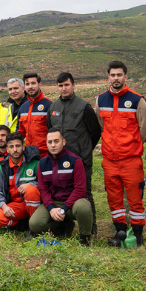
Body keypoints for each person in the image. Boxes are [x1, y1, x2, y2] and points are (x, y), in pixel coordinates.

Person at [97, 61, 146, 247]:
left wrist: (131, 147)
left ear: (126, 77)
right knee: (114, 199)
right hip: (110, 161)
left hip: (131, 160)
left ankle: (138, 236)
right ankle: (119, 233)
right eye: (113, 75)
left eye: (119, 75)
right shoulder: (101, 100)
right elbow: (101, 126)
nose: (116, 78)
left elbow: (144, 129)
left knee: (135, 201)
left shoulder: (137, 100)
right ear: (108, 77)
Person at [48, 72, 102, 222]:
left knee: (85, 194)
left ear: (73, 85)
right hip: (59, 161)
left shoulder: (84, 107)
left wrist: (84, 150)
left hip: (81, 160)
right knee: (62, 194)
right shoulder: (53, 107)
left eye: (66, 85)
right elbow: (50, 131)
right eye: (60, 86)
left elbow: (95, 132)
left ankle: (91, 228)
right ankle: (65, 226)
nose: (63, 88)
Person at [29, 129, 94, 243]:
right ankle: (62, 225)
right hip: (54, 203)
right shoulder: (43, 163)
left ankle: (85, 237)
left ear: (63, 142)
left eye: (56, 141)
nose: (53, 145)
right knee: (34, 224)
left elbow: (80, 189)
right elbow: (43, 189)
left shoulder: (75, 160)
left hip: (74, 202)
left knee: (83, 208)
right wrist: (51, 209)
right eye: (50, 142)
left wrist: (64, 209)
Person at [0, 133, 41, 230]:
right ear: (7, 149)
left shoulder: (35, 163)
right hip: (16, 205)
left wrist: (31, 184)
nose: (15, 149)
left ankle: (34, 225)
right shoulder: (3, 167)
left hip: (35, 204)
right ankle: (23, 224)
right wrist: (4, 206)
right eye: (11, 146)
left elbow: (46, 184)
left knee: (31, 190)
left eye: (18, 146)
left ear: (23, 147)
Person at [18, 72, 52, 157]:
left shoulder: (50, 105)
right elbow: (20, 132)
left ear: (39, 85)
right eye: (27, 84)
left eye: (33, 83)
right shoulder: (23, 108)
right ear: (24, 87)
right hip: (29, 155)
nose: (30, 86)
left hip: (47, 155)